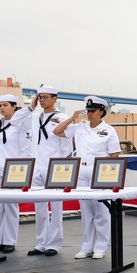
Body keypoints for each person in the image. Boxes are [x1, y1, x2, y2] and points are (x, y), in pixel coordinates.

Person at [53, 96, 120, 260]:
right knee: (86, 212)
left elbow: (114, 155)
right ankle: (87, 245)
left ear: (101, 112)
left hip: (100, 171)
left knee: (102, 212)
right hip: (81, 171)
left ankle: (100, 246)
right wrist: (72, 118)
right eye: (88, 111)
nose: (89, 114)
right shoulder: (80, 127)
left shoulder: (109, 130)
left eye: (93, 111)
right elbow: (57, 131)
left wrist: (110, 179)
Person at [0, 94, 32, 253]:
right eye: (0, 105)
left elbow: (25, 150)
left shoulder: (20, 125)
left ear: (14, 107)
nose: (2, 108)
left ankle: (10, 240)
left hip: (12, 168)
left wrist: (22, 170)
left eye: (5, 105)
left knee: (10, 205)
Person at [27, 86, 71, 257]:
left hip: (54, 168)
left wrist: (64, 168)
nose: (42, 100)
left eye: (45, 97)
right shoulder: (34, 117)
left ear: (54, 99)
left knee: (56, 208)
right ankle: (41, 242)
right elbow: (16, 120)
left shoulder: (62, 118)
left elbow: (66, 145)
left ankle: (54, 243)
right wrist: (31, 105)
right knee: (39, 208)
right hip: (37, 166)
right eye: (40, 97)